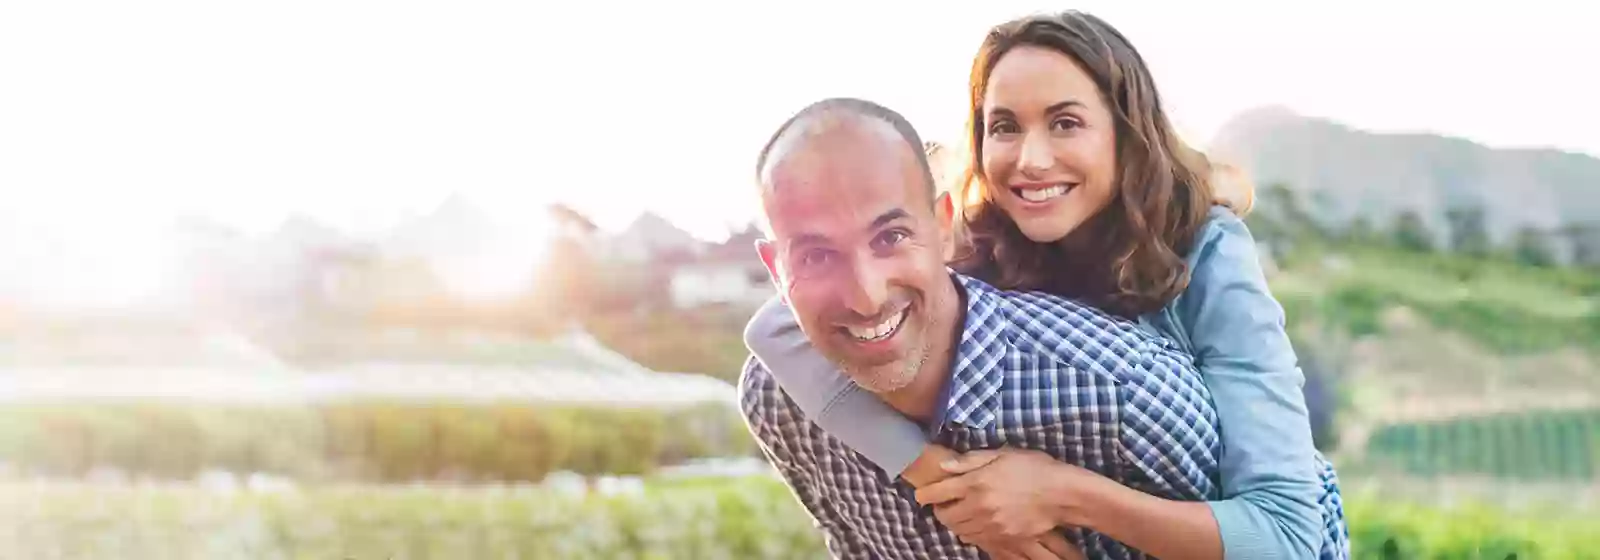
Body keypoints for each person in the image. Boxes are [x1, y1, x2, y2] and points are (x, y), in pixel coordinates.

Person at [744, 11, 1348, 560]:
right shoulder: (973, 233)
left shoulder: (1206, 252)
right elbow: (773, 328)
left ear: (1125, 132)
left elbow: (1285, 538)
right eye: (1004, 126)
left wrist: (1061, 493)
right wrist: (935, 476)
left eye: (1065, 123)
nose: (1030, 159)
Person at [741, 96, 1226, 560]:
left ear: (943, 226)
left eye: (891, 237)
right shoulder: (778, 400)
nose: (865, 297)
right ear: (775, 269)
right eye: (817, 255)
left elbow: (1286, 537)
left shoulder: (1124, 394)